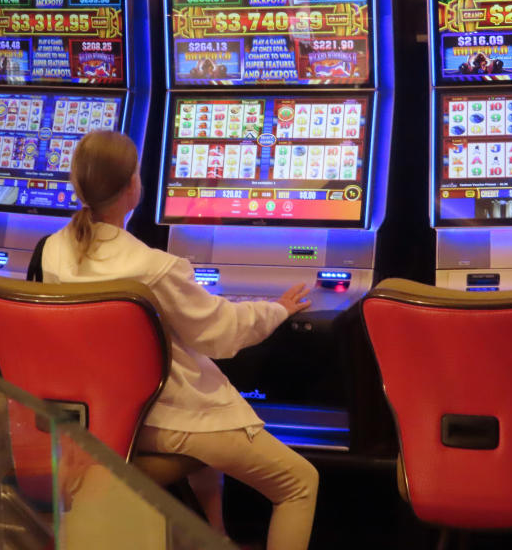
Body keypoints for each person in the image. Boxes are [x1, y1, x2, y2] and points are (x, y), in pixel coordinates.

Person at [41, 130, 319, 550]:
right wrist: (276, 309)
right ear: (133, 185)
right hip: (162, 420)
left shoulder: (52, 251)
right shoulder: (155, 266)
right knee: (299, 482)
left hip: (96, 414)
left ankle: (216, 535)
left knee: (206, 405)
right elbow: (221, 332)